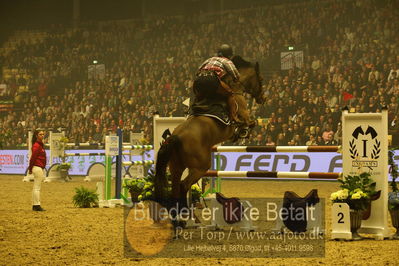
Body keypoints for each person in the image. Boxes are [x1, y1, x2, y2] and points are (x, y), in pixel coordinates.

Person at [191, 44, 252, 138]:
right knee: (230, 94)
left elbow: (197, 72)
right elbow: (236, 77)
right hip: (212, 79)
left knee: (199, 97)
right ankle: (234, 119)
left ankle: (190, 112)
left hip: (198, 81)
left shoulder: (209, 59)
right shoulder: (227, 61)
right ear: (229, 55)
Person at [28, 130, 46, 211]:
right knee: (37, 188)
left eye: (43, 134)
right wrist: (30, 168)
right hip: (37, 167)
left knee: (36, 187)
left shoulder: (39, 145)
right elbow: (33, 158)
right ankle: (37, 205)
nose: (42, 136)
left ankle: (35, 204)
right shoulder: (37, 145)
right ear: (36, 135)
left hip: (38, 167)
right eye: (40, 134)